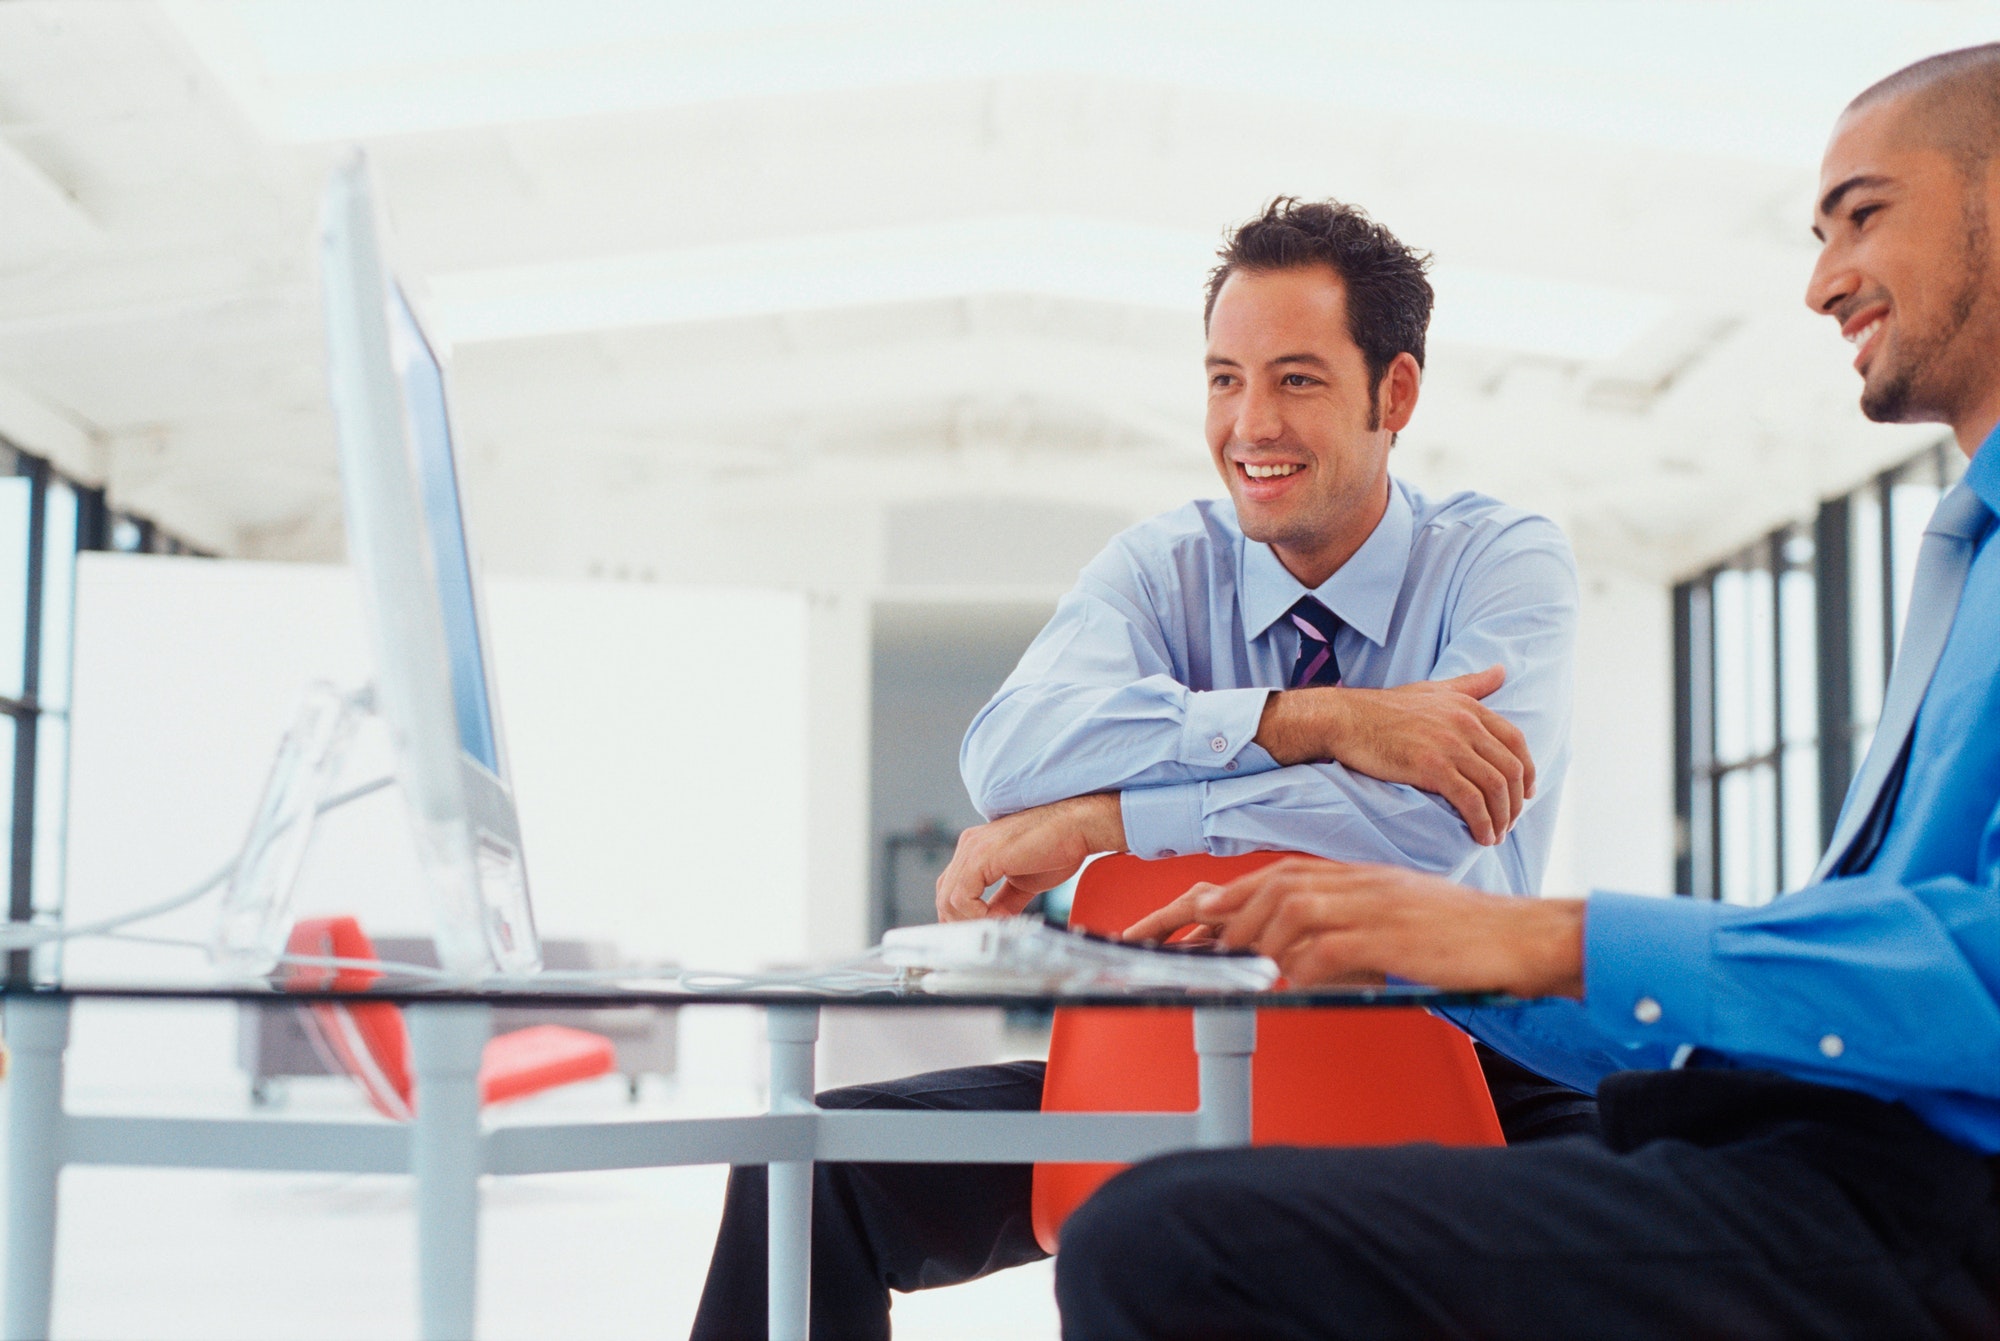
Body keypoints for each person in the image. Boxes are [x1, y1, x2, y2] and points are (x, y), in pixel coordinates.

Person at [1052, 45, 2000, 1341]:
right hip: (1821, 1143)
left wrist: (1545, 936)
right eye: (1224, 379)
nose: (1823, 280)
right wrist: (1432, 950)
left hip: (1936, 1203)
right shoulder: (1966, 553)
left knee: (1171, 1243)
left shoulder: (1501, 559)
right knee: (1147, 1207)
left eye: (1865, 214)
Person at [692, 198, 1589, 1340]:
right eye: (1223, 379)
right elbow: (1006, 755)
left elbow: (1421, 831)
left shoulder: (1501, 562)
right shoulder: (1161, 566)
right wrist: (1312, 720)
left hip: (1456, 1056)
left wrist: (1103, 820)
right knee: (802, 1172)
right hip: (1160, 1063)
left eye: (1296, 380)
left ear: (1394, 395)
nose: (1248, 422)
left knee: (1685, 1187)